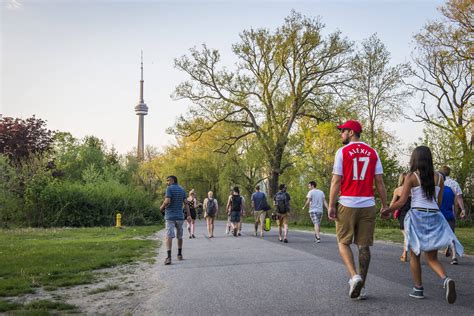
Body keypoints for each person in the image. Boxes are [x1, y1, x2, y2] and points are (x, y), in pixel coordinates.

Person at [382, 146, 464, 304]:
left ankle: (418, 289)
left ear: (415, 159)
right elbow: (438, 203)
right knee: (432, 258)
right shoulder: (440, 177)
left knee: (415, 255)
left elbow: (402, 201)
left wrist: (387, 209)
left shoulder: (412, 176)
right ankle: (446, 279)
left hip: (418, 215)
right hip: (434, 216)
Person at [328, 119, 387, 300]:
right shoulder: (373, 152)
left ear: (351, 132)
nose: (341, 134)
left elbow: (336, 181)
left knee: (343, 242)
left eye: (343, 131)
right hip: (367, 204)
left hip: (347, 203)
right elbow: (379, 182)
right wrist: (385, 205)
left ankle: (354, 276)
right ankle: (362, 287)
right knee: (364, 246)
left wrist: (331, 205)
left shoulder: (342, 152)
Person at [159, 175, 191, 265]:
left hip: (170, 217)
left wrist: (161, 208)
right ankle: (179, 254)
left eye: (168, 180)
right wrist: (188, 215)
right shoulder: (182, 189)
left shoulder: (169, 189)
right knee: (179, 236)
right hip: (180, 217)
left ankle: (169, 257)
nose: (167, 182)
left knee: (169, 236)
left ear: (172, 180)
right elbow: (186, 203)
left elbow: (167, 201)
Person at [439, 166, 467, 265]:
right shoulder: (454, 184)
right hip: (449, 212)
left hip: (438, 212)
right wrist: (462, 209)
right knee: (451, 234)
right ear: (449, 173)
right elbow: (459, 198)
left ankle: (428, 253)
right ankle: (454, 256)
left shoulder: (437, 183)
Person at [389, 173, 411, 262]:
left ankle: (405, 254)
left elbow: (392, 203)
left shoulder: (398, 190)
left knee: (406, 234)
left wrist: (389, 211)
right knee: (408, 234)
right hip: (413, 212)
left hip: (402, 213)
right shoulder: (413, 190)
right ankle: (406, 252)